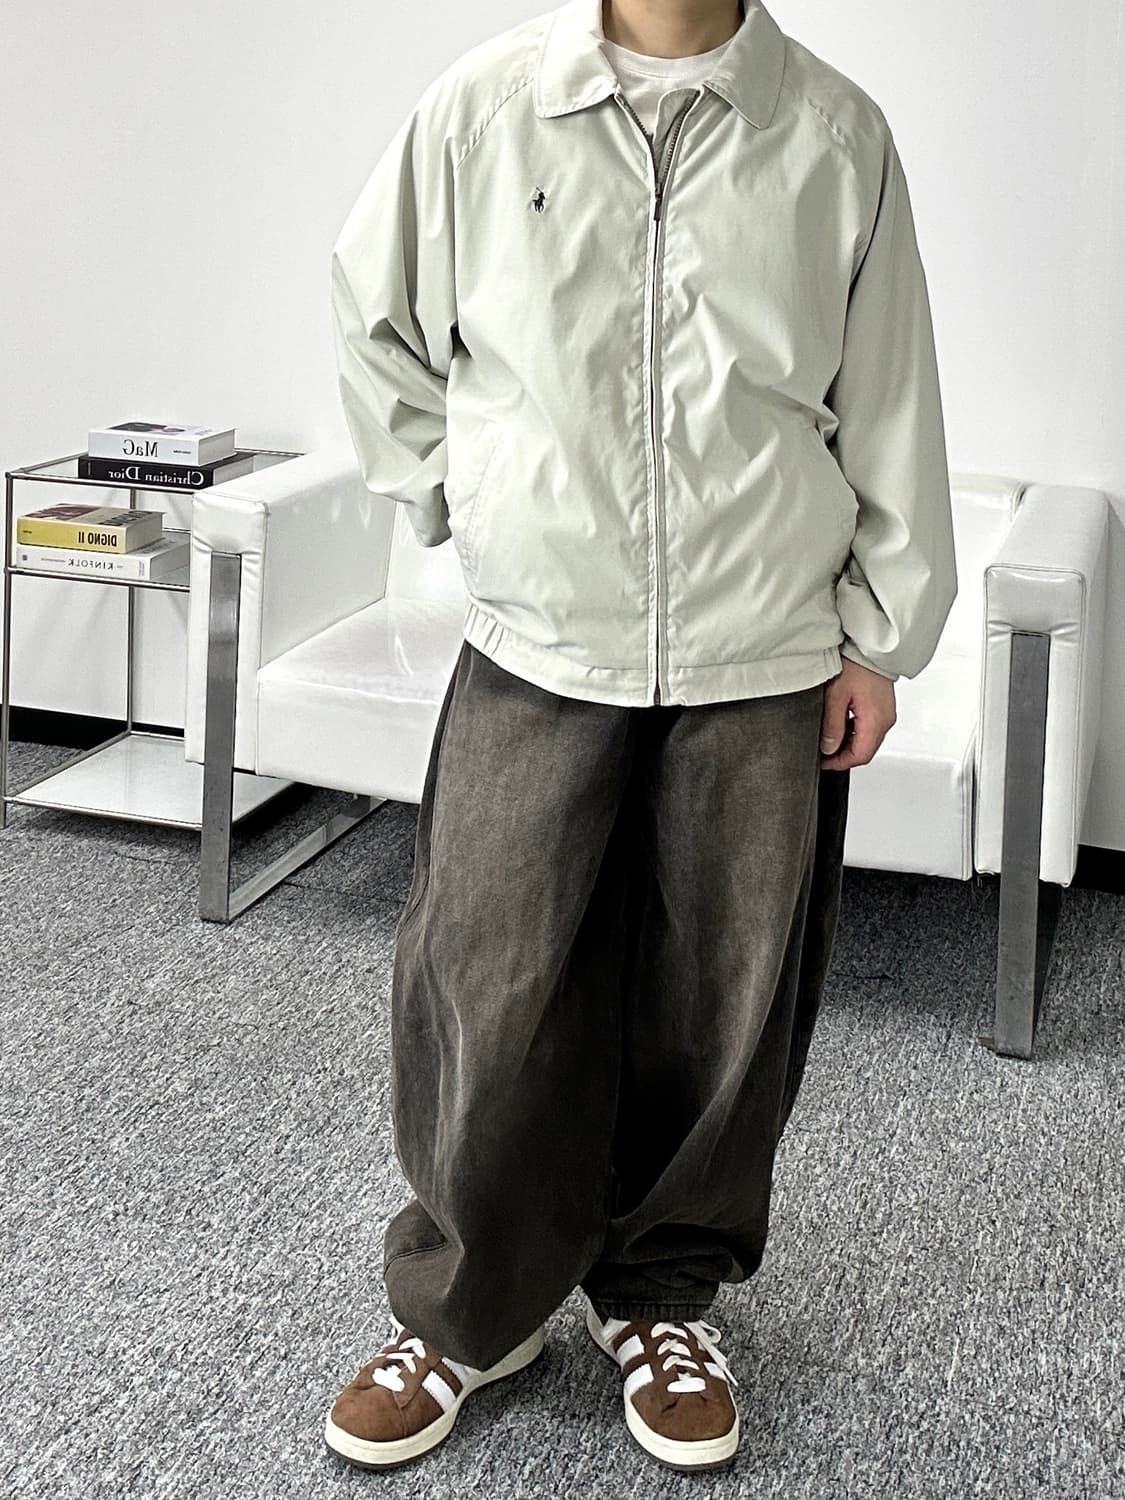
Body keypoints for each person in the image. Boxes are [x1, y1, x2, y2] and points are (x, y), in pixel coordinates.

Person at [325, 0, 956, 1474]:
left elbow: (890, 396)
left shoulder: (832, 134)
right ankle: (473, 1310)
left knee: (720, 996)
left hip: (761, 645)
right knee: (486, 978)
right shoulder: (485, 111)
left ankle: (663, 1297)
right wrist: (457, 495)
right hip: (538, 634)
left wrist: (878, 636)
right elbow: (376, 321)